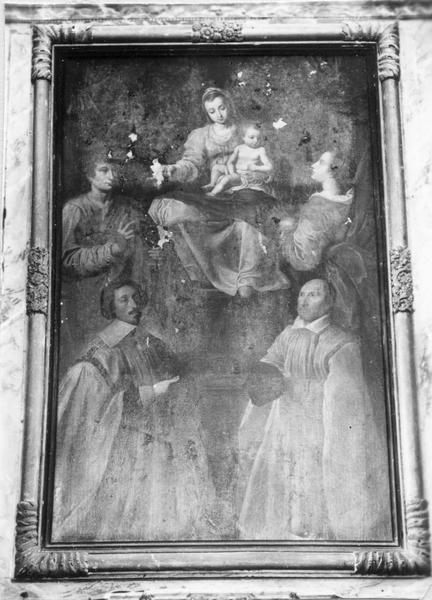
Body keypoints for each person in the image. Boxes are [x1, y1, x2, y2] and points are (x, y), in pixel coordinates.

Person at [52, 279, 216, 542]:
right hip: (125, 443)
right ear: (111, 306)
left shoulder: (151, 342)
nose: (133, 305)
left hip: (160, 434)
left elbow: (178, 374)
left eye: (136, 298)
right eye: (124, 299)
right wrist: (153, 391)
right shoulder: (103, 350)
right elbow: (100, 402)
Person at [238, 278, 391, 541]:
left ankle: (315, 533)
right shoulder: (288, 334)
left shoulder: (342, 342)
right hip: (284, 420)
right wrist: (265, 377)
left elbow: (346, 401)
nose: (304, 301)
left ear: (330, 301)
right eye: (302, 294)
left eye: (314, 294)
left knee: (313, 475)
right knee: (281, 475)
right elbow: (269, 363)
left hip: (319, 422)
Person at [149, 87, 289, 299]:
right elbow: (191, 164)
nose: (219, 114)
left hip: (244, 189)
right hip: (216, 194)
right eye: (212, 111)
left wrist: (248, 175)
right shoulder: (201, 135)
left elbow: (267, 164)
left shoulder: (246, 130)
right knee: (173, 207)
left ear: (229, 105)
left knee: (252, 217)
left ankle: (247, 280)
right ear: (207, 113)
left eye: (222, 108)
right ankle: (202, 276)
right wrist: (174, 170)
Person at [60, 144, 148, 371]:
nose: (111, 175)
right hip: (86, 301)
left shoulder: (128, 209)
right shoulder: (75, 210)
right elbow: (66, 261)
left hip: (122, 302)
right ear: (90, 175)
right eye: (104, 170)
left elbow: (140, 255)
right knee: (92, 364)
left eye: (114, 170)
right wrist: (111, 250)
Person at [203, 122, 273, 196]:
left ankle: (213, 193)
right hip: (235, 171)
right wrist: (232, 172)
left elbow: (269, 167)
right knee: (216, 167)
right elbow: (230, 162)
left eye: (258, 138)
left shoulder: (260, 150)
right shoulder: (239, 148)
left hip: (245, 175)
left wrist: (256, 167)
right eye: (251, 137)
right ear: (243, 137)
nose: (255, 141)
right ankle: (212, 184)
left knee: (227, 179)